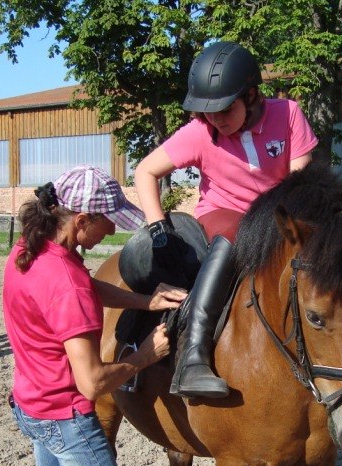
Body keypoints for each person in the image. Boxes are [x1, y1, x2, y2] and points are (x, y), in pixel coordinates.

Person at [2, 165, 186, 466]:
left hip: (32, 406)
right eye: (107, 223)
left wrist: (144, 300)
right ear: (82, 220)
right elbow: (93, 383)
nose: (113, 232)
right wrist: (145, 355)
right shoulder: (66, 285)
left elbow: (83, 284)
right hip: (67, 420)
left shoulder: (30, 250)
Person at [133, 41, 319, 399]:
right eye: (206, 111)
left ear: (250, 96)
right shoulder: (199, 132)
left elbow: (301, 183)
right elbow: (145, 171)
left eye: (222, 109)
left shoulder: (289, 114)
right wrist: (158, 228)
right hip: (222, 216)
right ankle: (193, 358)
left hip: (277, 215)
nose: (214, 119)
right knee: (237, 228)